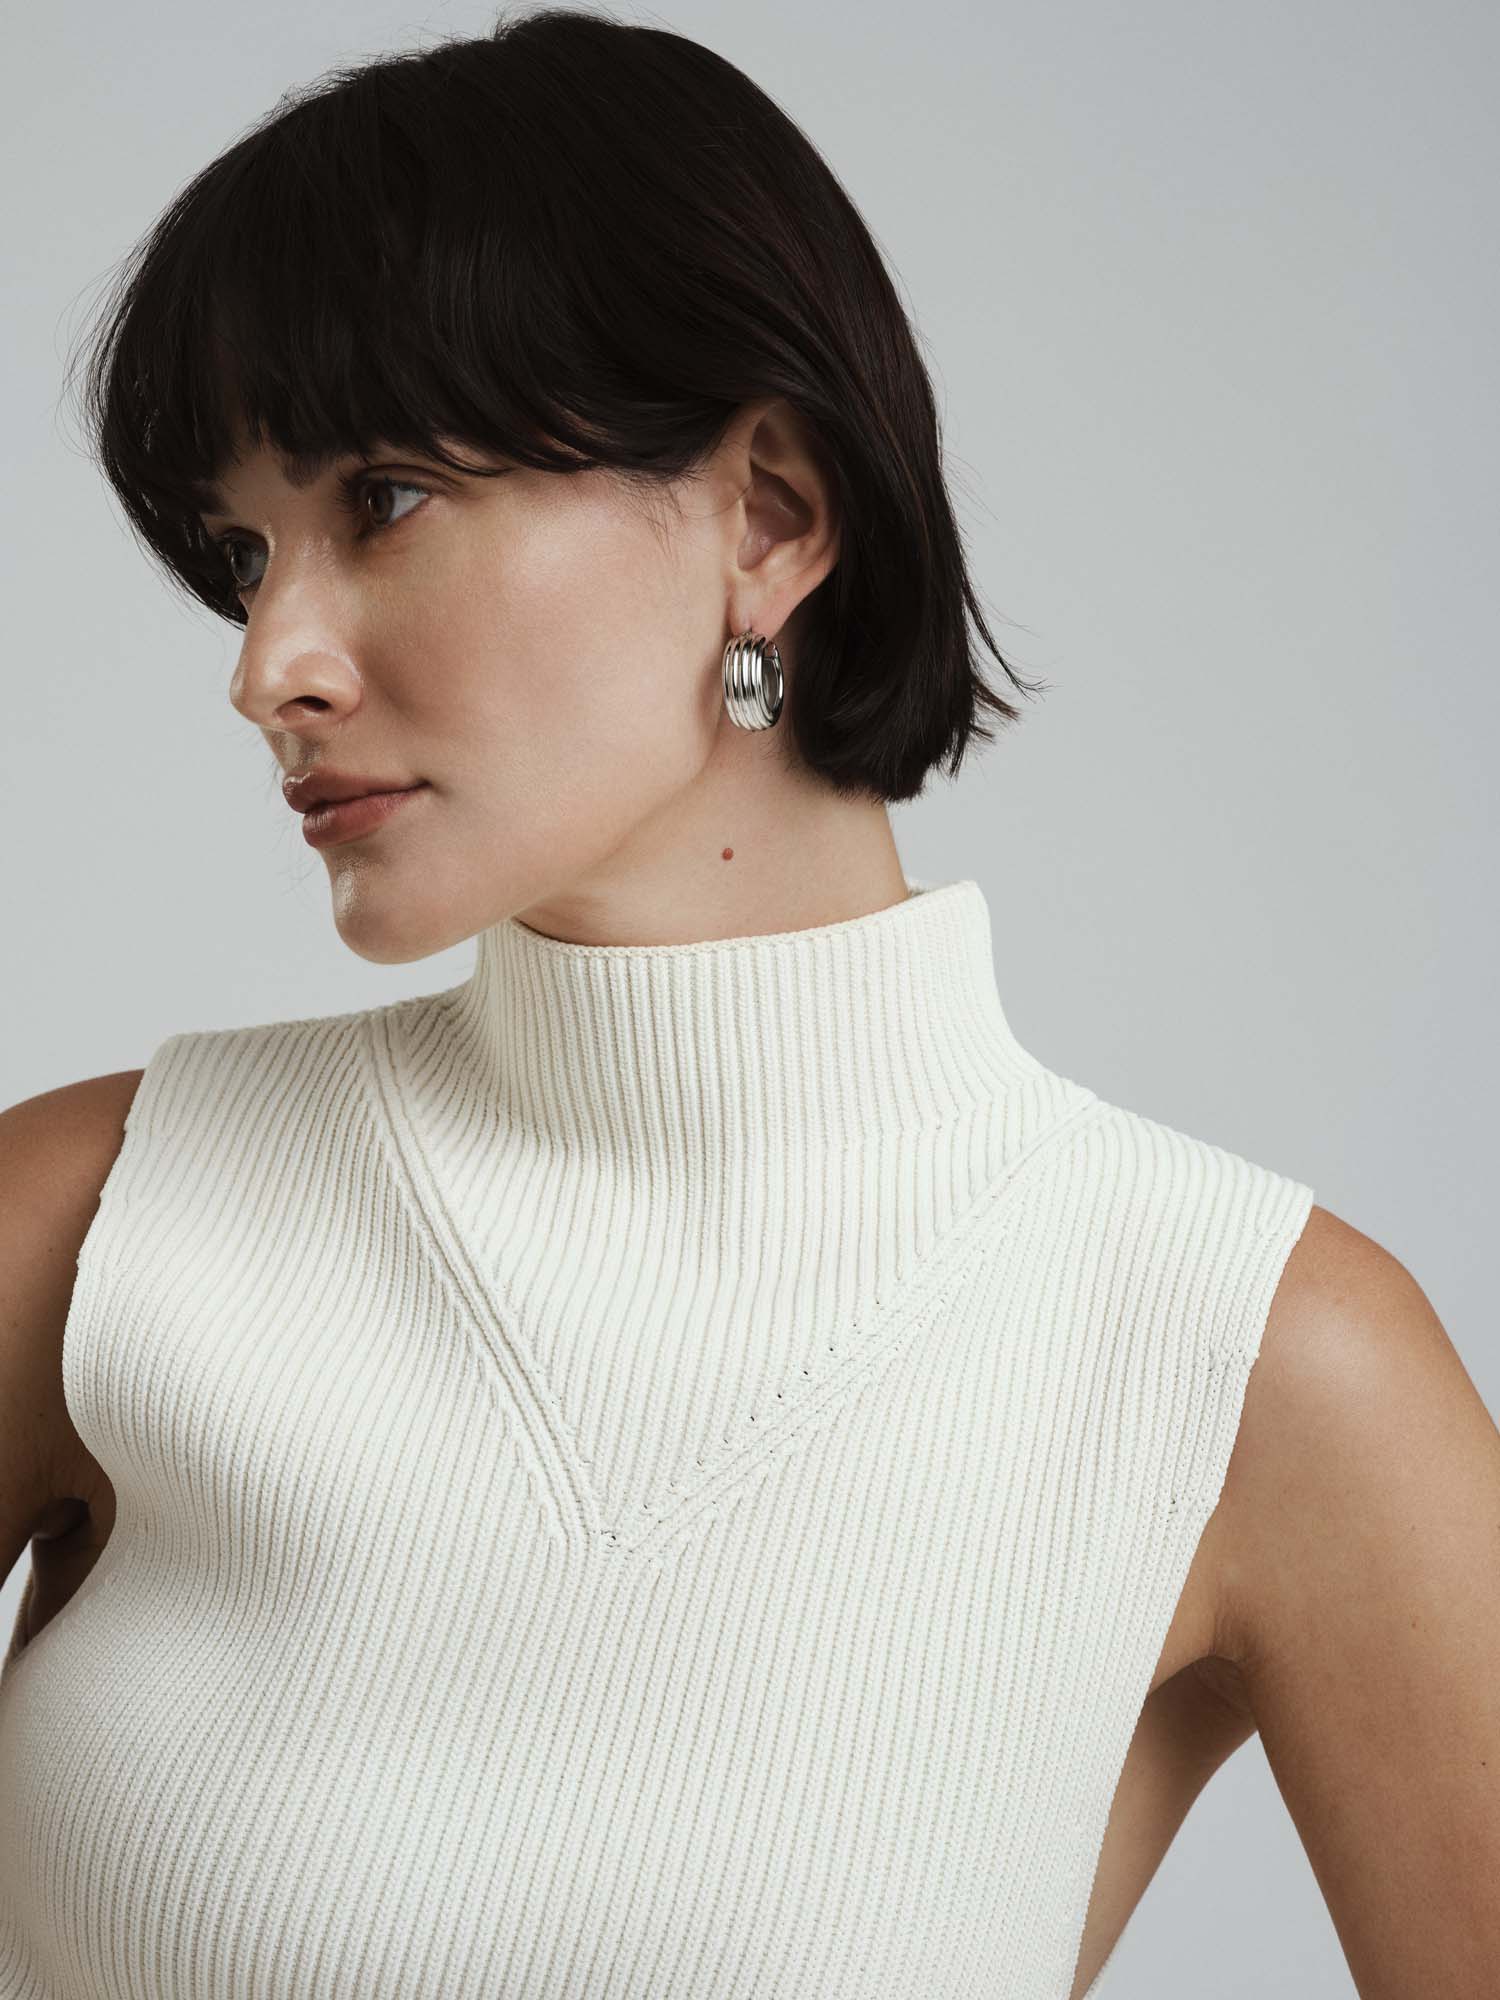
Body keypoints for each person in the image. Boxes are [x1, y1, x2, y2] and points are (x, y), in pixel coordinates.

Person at [2, 8, 1495, 1998]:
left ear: (770, 518)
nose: (269, 661)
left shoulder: (1248, 1360)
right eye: (241, 548)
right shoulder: (93, 1227)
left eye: (384, 499)